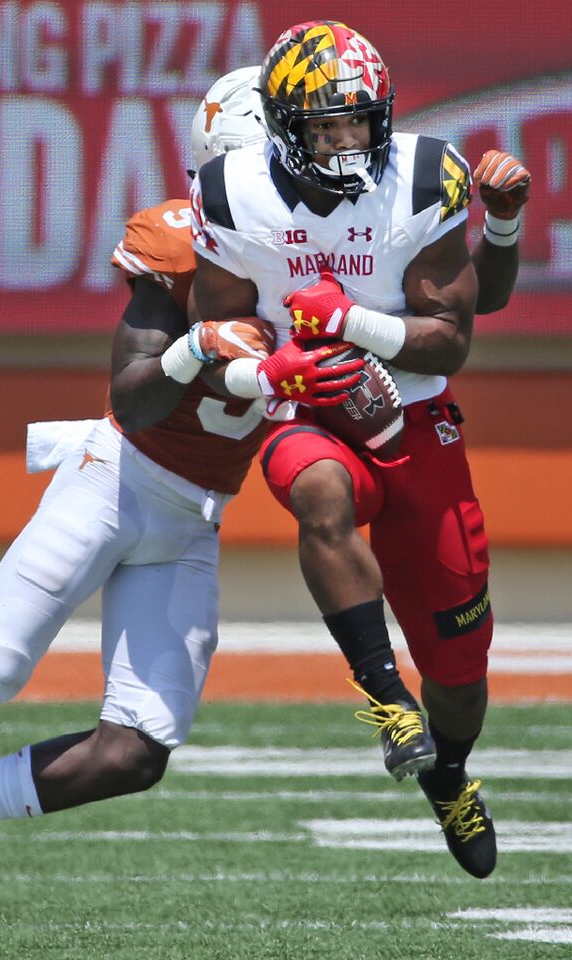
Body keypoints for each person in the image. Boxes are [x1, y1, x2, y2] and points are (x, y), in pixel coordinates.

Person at [0, 67, 366, 909]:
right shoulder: (178, 242)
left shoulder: (325, 255)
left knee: (136, 753)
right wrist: (198, 345)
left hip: (194, 519)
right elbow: (132, 395)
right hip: (115, 482)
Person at [187, 20, 529, 880]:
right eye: (325, 127)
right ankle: (384, 694)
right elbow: (215, 331)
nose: (346, 144)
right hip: (310, 410)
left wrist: (351, 325)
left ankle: (449, 775)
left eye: (358, 123)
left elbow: (451, 339)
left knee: (460, 671)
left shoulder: (422, 176)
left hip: (416, 417)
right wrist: (273, 367)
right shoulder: (232, 192)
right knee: (319, 495)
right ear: (282, 127)